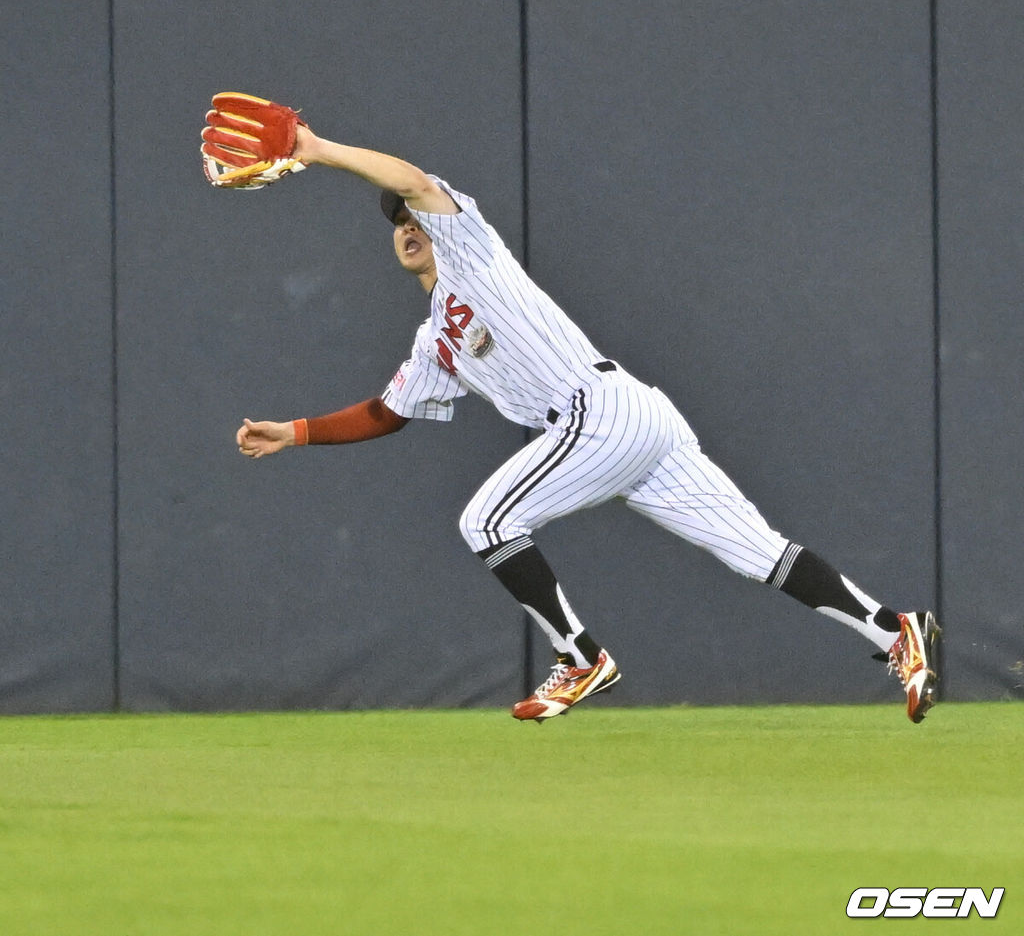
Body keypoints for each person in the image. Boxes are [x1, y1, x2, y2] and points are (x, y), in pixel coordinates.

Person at [236, 122, 941, 723]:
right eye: (397, 226)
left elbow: (415, 180)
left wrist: (317, 147)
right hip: (632, 425)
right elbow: (385, 413)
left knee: (486, 521)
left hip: (600, 411)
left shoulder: (469, 250)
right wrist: (292, 431)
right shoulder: (434, 342)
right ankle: (895, 629)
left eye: (414, 218)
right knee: (756, 552)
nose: (409, 227)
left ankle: (579, 657)